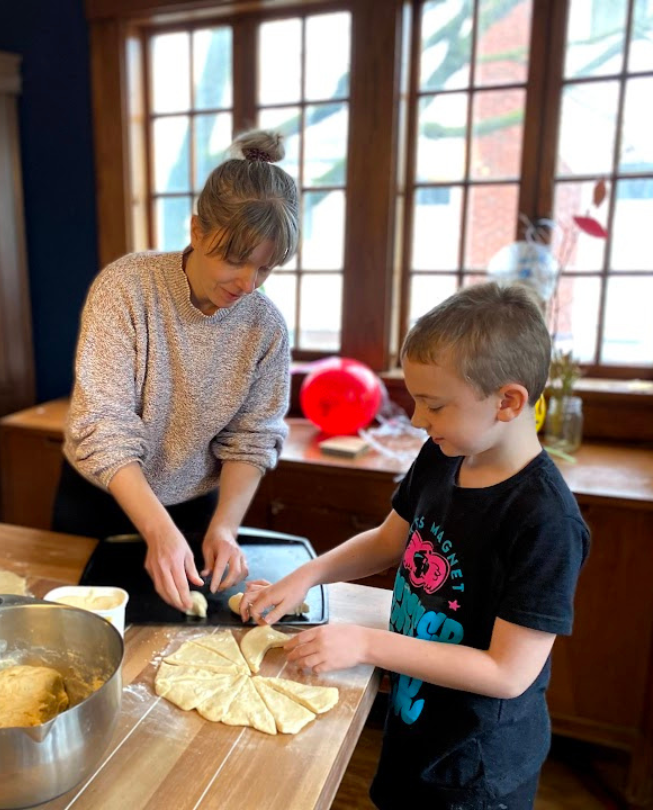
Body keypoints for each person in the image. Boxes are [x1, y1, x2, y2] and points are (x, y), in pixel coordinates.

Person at [240, 282, 590, 810]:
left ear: (508, 401)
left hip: (476, 770)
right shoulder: (445, 453)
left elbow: (507, 672)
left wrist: (364, 644)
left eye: (434, 404)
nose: (418, 419)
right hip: (416, 728)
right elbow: (389, 540)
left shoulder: (545, 521)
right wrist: (306, 575)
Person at [56, 129, 299, 614]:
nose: (249, 284)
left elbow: (252, 437)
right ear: (197, 231)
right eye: (235, 260)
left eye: (266, 270)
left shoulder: (264, 326)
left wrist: (225, 528)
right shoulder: (126, 288)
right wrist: (155, 528)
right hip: (104, 498)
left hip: (195, 510)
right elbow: (103, 425)